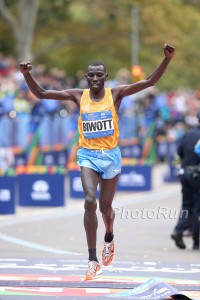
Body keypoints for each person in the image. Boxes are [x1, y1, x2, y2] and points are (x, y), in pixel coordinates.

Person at [19, 43, 175, 280]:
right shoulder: (77, 96)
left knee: (105, 208)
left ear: (105, 77)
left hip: (111, 157)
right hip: (88, 155)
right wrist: (27, 74)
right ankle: (92, 260)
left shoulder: (115, 94)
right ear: (85, 77)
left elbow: (149, 82)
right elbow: (41, 94)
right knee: (89, 201)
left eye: (99, 75)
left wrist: (167, 59)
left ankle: (109, 236)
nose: (94, 79)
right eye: (90, 75)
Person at [171, 112, 200, 250]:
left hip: (185, 172)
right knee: (197, 207)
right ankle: (196, 240)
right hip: (197, 173)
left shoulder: (188, 134)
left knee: (186, 205)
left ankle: (178, 231)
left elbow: (179, 152)